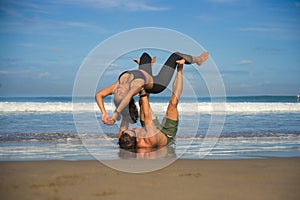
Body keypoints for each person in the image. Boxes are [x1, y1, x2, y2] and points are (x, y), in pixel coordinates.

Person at [95, 51, 209, 136]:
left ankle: (148, 65)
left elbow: (99, 95)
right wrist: (114, 117)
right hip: (157, 83)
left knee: (145, 56)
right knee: (175, 55)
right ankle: (199, 60)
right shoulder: (135, 86)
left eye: (116, 94)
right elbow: (127, 98)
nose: (118, 91)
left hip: (144, 73)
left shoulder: (116, 85)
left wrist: (104, 113)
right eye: (121, 94)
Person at [118, 61, 185, 149]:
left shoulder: (124, 139)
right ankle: (180, 69)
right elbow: (147, 116)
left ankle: (146, 71)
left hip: (151, 128)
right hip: (167, 135)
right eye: (133, 130)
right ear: (137, 139)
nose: (133, 128)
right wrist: (141, 91)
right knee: (173, 102)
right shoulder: (149, 139)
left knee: (142, 103)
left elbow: (125, 121)